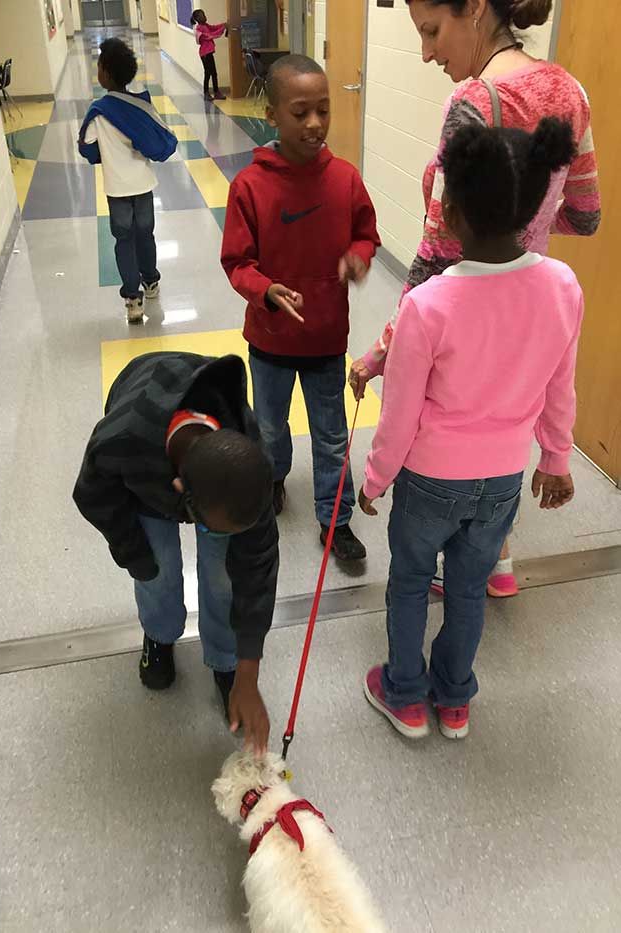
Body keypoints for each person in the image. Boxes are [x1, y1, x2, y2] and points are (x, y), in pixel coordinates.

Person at [349, 0, 601, 597]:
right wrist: (530, 226)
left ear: (477, 10)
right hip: (527, 309)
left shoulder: (472, 103)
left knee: (450, 434)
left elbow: (437, 260)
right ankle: (499, 562)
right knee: (502, 426)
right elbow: (586, 216)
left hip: (462, 315)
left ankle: (445, 558)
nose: (427, 52)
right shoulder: (572, 92)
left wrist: (381, 352)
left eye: (432, 31)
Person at [360, 117, 581, 741]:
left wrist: (375, 479)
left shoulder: (427, 304)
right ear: (535, 206)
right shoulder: (561, 285)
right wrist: (556, 459)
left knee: (408, 581)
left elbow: (400, 411)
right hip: (503, 479)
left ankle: (404, 693)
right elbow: (560, 384)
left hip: (431, 480)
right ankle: (455, 699)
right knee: (467, 588)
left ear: (450, 212)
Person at [73, 352, 279, 755]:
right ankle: (159, 634)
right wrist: (136, 556)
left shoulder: (249, 464)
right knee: (159, 566)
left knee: (225, 575)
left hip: (202, 475)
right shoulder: (121, 442)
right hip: (146, 445)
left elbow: (257, 566)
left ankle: (224, 660)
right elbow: (92, 496)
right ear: (180, 496)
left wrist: (248, 672)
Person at [221, 55, 381, 563]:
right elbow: (237, 260)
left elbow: (365, 233)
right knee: (269, 428)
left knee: (332, 435)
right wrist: (265, 290)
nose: (315, 123)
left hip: (326, 339)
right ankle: (273, 480)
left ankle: (336, 521)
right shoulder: (249, 186)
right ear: (272, 116)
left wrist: (359, 256)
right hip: (269, 341)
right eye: (300, 112)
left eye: (323, 110)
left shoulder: (346, 180)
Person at [78, 38, 177, 324]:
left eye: (99, 67)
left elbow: (87, 147)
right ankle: (151, 282)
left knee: (124, 239)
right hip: (144, 184)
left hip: (116, 188)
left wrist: (104, 154)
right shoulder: (140, 105)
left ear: (106, 73)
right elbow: (157, 137)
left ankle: (133, 300)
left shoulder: (99, 111)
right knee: (146, 234)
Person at [191, 10, 227, 102]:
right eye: (202, 16)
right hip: (205, 54)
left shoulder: (205, 25)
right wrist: (223, 29)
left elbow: (214, 28)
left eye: (204, 15)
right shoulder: (199, 29)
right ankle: (206, 92)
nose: (204, 17)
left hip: (209, 53)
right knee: (208, 73)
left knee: (214, 73)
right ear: (197, 19)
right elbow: (211, 35)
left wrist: (223, 25)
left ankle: (216, 92)